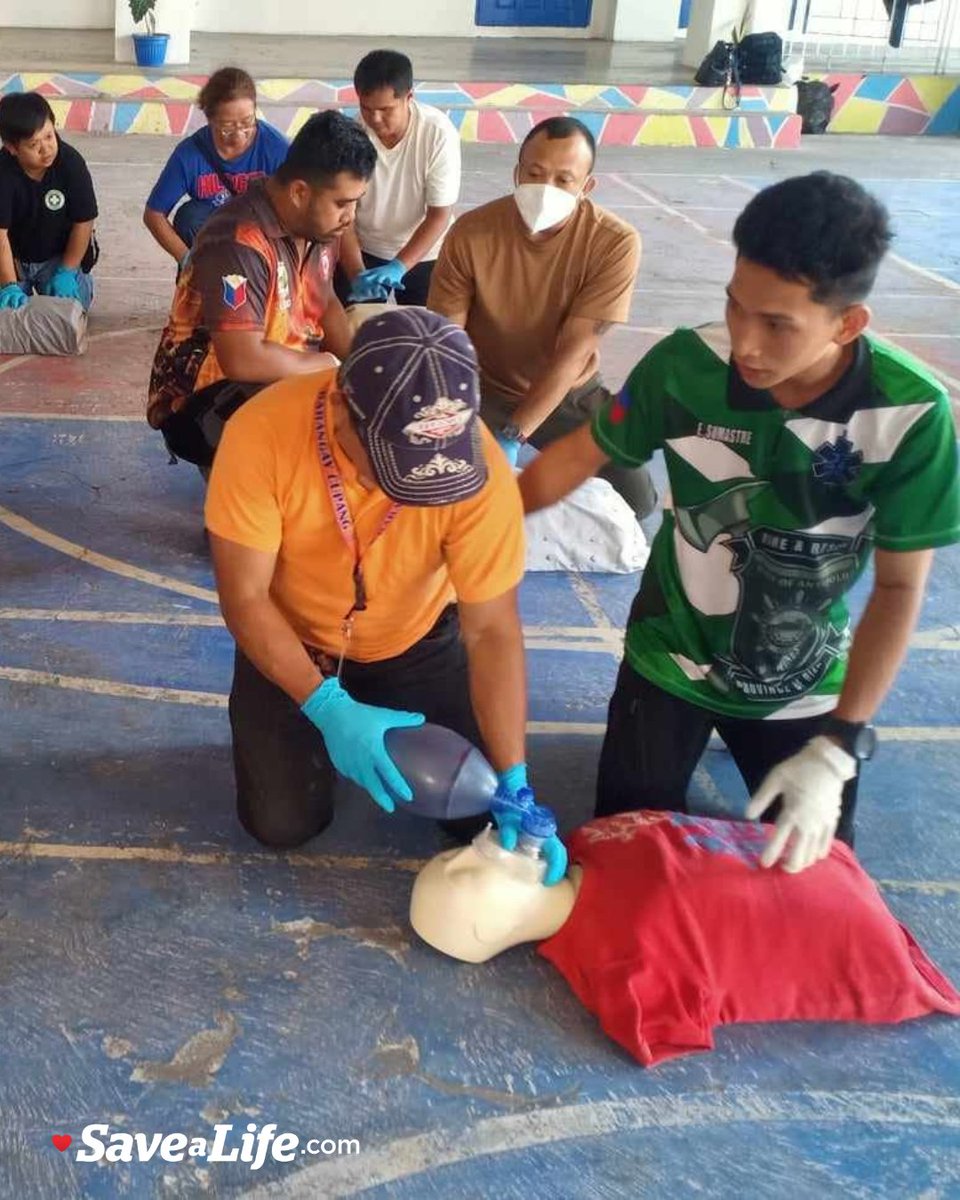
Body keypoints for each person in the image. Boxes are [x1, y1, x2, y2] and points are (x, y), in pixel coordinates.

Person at [520, 171, 960, 874]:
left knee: (811, 882)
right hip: (671, 655)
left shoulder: (911, 416)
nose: (745, 343)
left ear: (847, 323)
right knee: (622, 860)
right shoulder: (683, 367)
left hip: (801, 679)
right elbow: (577, 455)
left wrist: (840, 745)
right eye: (735, 307)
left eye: (778, 324)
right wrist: (472, 529)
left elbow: (901, 590)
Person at [204, 305, 540, 849]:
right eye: (395, 463)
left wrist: (516, 778)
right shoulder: (261, 433)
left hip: (415, 640)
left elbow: (493, 629)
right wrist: (325, 706)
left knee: (481, 816)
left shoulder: (479, 470)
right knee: (281, 825)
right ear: (340, 403)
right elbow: (244, 596)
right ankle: (308, 727)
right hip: (297, 638)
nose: (409, 486)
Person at [410, 810, 960, 1066]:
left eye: (453, 851)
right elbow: (669, 1032)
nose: (473, 849)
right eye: (465, 872)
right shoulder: (626, 974)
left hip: (825, 858)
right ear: (487, 929)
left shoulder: (590, 839)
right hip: (859, 933)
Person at [428, 115, 654, 520]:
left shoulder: (614, 243)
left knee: (635, 500)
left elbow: (572, 353)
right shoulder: (471, 232)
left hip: (569, 392)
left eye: (564, 179)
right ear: (516, 173)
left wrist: (513, 435)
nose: (545, 189)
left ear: (586, 186)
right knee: (424, 490)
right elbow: (447, 338)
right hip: (482, 385)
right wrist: (450, 409)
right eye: (534, 173)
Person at [147, 110, 371, 467]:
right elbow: (242, 359)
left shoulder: (321, 225)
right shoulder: (237, 240)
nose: (351, 217)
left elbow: (324, 298)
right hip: (206, 404)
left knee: (385, 340)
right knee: (337, 430)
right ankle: (247, 498)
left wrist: (363, 369)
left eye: (356, 202)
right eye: (343, 203)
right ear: (299, 192)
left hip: (284, 373)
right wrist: (331, 367)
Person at [336, 50, 461, 308]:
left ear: (409, 97)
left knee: (422, 333)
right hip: (365, 248)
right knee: (354, 327)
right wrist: (356, 271)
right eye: (366, 108)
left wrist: (399, 265)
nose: (375, 119)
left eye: (386, 109)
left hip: (425, 252)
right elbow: (344, 213)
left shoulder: (438, 134)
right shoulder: (353, 134)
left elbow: (439, 215)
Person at [143, 67, 288, 270]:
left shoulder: (276, 148)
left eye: (247, 123)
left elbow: (297, 210)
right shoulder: (190, 155)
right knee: (189, 217)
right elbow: (153, 214)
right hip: (212, 240)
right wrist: (185, 259)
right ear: (210, 119)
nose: (239, 135)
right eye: (227, 127)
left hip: (261, 238)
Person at [0, 92, 98, 313]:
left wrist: (67, 270)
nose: (46, 149)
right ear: (12, 148)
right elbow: (0, 235)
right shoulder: (3, 173)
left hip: (58, 257)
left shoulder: (71, 163)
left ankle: (79, 280)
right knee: (7, 314)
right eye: (34, 144)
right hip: (13, 259)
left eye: (49, 136)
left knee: (72, 310)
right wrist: (8, 285)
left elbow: (84, 220)